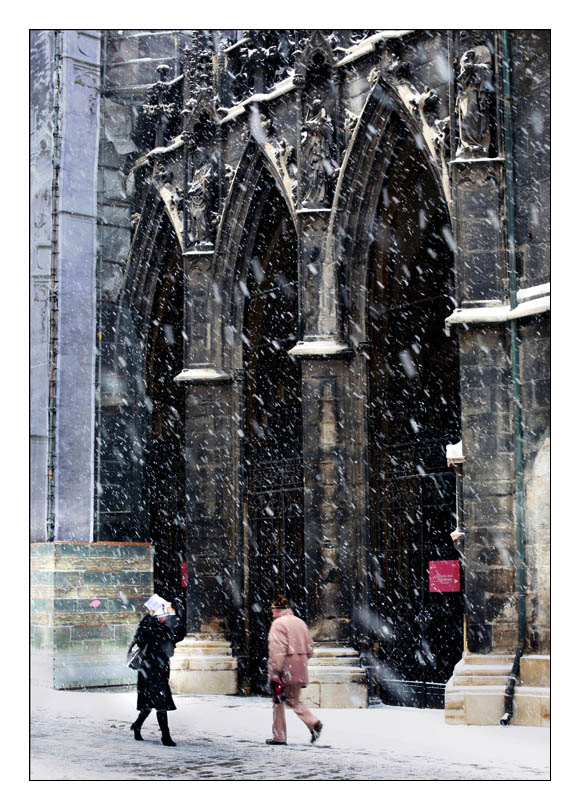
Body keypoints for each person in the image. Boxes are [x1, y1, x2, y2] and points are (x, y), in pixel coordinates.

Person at [128, 594, 186, 746]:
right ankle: (164, 736)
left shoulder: (168, 624)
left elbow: (179, 635)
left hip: (161, 667)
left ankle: (138, 725)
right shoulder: (148, 624)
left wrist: (178, 616)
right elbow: (139, 641)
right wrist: (154, 627)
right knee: (155, 703)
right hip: (148, 668)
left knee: (157, 703)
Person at [265, 595, 323, 745]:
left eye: (272, 609)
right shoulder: (300, 623)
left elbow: (277, 649)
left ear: (277, 609)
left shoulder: (278, 624)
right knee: (294, 700)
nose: (271, 613)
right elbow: (310, 647)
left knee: (278, 702)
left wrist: (275, 671)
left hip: (284, 669)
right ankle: (313, 722)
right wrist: (301, 659)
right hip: (299, 667)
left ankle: (279, 737)